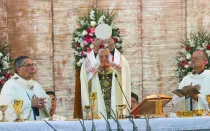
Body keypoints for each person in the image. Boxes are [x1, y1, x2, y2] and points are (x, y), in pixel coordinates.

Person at [80, 38, 131, 119]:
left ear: (111, 58)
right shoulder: (92, 73)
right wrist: (95, 50)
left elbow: (124, 65)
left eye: (107, 56)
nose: (104, 59)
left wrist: (113, 49)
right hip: (97, 111)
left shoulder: (117, 72)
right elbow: (85, 69)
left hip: (115, 109)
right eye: (101, 56)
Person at [0, 56, 51, 121]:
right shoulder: (10, 85)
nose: (32, 68)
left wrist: (43, 104)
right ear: (19, 69)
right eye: (28, 65)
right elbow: (7, 106)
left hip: (40, 125)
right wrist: (30, 103)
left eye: (32, 65)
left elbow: (47, 101)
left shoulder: (36, 85)